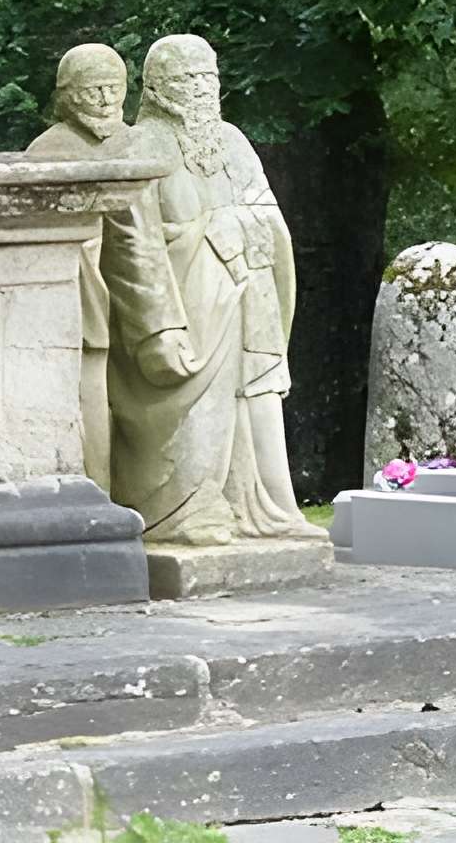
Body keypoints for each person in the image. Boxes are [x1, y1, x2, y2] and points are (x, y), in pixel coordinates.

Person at [101, 33, 324, 545]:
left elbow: (267, 214)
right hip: (189, 308)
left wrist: (236, 225)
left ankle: (269, 507)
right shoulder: (141, 147)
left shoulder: (233, 143)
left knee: (260, 392)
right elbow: (134, 246)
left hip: (248, 293)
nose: (201, 90)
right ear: (156, 89)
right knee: (197, 409)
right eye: (187, 80)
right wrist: (161, 325)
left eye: (209, 79)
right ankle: (187, 510)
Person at [23, 42, 129, 493]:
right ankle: (96, 490)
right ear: (68, 95)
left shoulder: (137, 141)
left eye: (113, 89)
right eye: (92, 91)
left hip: (140, 298)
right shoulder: (48, 150)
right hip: (81, 298)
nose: (105, 101)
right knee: (88, 397)